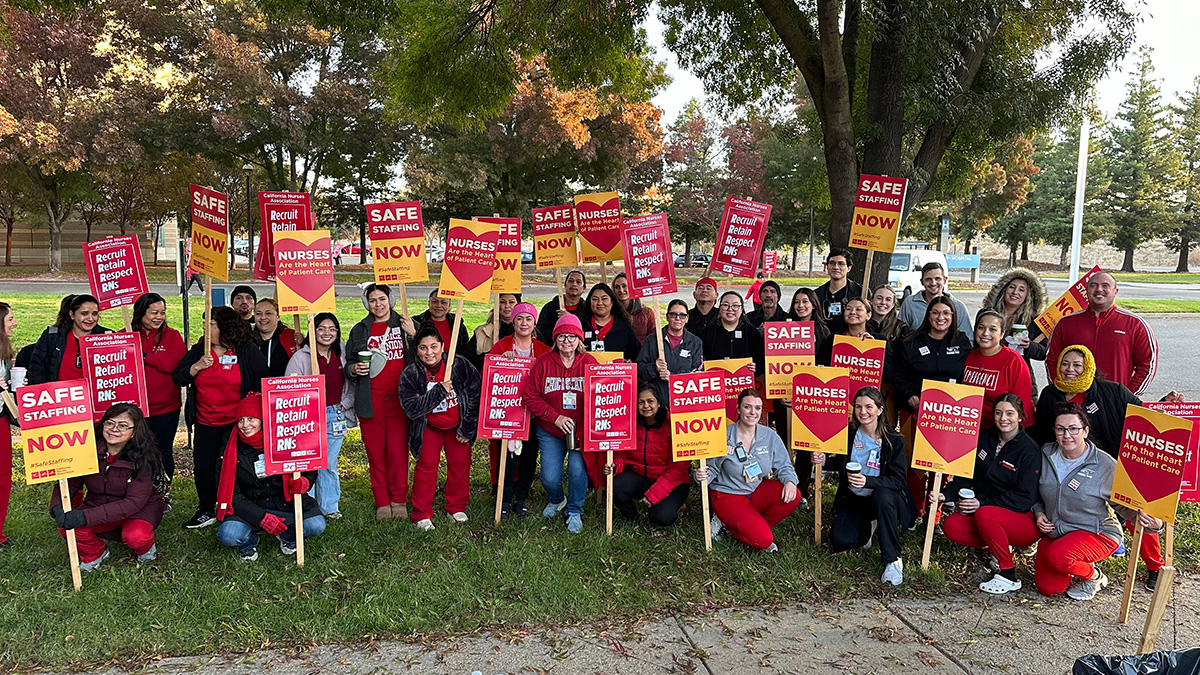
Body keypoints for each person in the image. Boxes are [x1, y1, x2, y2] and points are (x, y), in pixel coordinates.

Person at [1032, 345, 1164, 588]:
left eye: (1077, 365)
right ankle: (1076, 554)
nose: (1070, 370)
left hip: (1113, 461)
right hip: (1069, 458)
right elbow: (1041, 431)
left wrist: (1166, 405)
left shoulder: (1112, 391)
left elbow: (1146, 416)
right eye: (1065, 364)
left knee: (1138, 512)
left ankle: (1154, 565)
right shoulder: (1051, 394)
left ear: (1088, 368)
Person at [173, 306, 268, 529]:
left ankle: (240, 508)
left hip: (237, 424)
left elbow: (262, 381)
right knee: (204, 466)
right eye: (205, 323)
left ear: (224, 325)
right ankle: (206, 508)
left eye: (211, 323)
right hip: (206, 422)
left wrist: (251, 414)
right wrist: (196, 367)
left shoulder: (245, 349)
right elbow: (178, 377)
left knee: (236, 466)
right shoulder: (199, 350)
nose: (206, 327)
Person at [938, 395, 1042, 594]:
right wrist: (945, 495)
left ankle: (1008, 574)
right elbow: (966, 476)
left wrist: (983, 503)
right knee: (951, 526)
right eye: (998, 412)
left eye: (1010, 413)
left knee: (985, 514)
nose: (1003, 418)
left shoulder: (1029, 450)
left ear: (1020, 417)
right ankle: (995, 546)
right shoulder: (984, 438)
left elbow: (1025, 498)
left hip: (1022, 519)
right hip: (986, 515)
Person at [814, 387, 914, 586]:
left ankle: (893, 560)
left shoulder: (894, 440)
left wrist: (868, 481)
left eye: (869, 406)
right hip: (855, 497)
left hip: (884, 498)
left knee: (882, 496)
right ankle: (869, 526)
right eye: (858, 406)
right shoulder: (849, 434)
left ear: (880, 409)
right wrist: (823, 461)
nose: (863, 412)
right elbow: (840, 465)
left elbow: (898, 480)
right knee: (841, 540)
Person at [50, 404, 165, 570]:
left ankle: (146, 549)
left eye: (123, 425)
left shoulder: (144, 458)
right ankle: (95, 553)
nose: (114, 429)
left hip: (140, 508)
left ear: (134, 432)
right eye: (110, 423)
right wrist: (57, 507)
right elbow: (70, 484)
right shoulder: (86, 451)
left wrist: (85, 517)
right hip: (100, 502)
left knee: (136, 536)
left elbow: (133, 503)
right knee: (66, 526)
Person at [215, 394, 325, 561]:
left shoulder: (285, 438)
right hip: (249, 507)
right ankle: (249, 541)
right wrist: (261, 517)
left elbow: (309, 465)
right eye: (241, 420)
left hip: (284, 504)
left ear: (262, 419)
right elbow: (232, 495)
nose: (245, 425)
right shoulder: (230, 449)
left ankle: (287, 537)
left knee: (316, 525)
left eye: (251, 418)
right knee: (229, 534)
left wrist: (306, 481)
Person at [893, 296, 973, 514]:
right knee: (915, 465)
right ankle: (915, 509)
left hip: (949, 415)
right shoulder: (910, 342)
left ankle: (934, 513)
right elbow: (899, 376)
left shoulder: (962, 342)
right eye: (936, 313)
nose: (941, 317)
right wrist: (909, 396)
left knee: (942, 466)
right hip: (916, 411)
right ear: (928, 316)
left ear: (953, 317)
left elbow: (969, 376)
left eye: (946, 313)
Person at [345, 283, 416, 521]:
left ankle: (399, 500)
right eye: (373, 300)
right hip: (370, 399)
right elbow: (348, 364)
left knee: (397, 452)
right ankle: (382, 501)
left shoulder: (405, 325)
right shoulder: (360, 330)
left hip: (399, 399)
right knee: (376, 452)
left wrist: (413, 335)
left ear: (390, 300)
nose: (378, 304)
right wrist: (353, 368)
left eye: (382, 299)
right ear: (367, 303)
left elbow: (425, 356)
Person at [399, 326, 481, 530]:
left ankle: (455, 506)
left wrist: (468, 427)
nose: (429, 353)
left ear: (443, 347)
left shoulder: (459, 364)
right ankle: (422, 513)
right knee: (426, 466)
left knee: (460, 464)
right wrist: (438, 392)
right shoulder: (411, 373)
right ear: (416, 350)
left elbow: (475, 395)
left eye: (434, 346)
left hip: (457, 426)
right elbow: (411, 408)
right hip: (429, 426)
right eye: (423, 348)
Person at [696, 389, 800, 551]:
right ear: (738, 409)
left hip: (756, 489)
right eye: (747, 407)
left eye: (757, 408)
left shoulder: (769, 436)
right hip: (728, 495)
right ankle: (725, 523)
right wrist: (701, 476)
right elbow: (712, 469)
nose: (753, 412)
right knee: (764, 541)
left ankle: (753, 524)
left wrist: (790, 481)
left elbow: (784, 465)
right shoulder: (724, 436)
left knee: (794, 495)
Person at [523, 314, 598, 534]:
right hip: (550, 429)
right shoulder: (543, 362)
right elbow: (530, 396)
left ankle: (574, 510)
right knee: (549, 476)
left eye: (572, 337)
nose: (567, 341)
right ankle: (557, 500)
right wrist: (554, 416)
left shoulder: (589, 363)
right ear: (555, 339)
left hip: (580, 430)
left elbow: (600, 394)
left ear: (579, 340)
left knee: (577, 470)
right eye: (562, 336)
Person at [285, 313, 357, 520]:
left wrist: (344, 406)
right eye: (321, 329)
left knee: (329, 463)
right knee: (307, 462)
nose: (327, 333)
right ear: (313, 331)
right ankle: (307, 505)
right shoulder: (301, 357)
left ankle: (329, 506)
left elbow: (352, 383)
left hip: (335, 413)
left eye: (332, 329)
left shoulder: (341, 353)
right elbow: (290, 389)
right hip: (308, 416)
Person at [1046, 272, 1157, 397]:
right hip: (1074, 402)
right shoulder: (1065, 323)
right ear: (1086, 291)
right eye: (1093, 285)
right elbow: (1052, 360)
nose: (1099, 289)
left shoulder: (1135, 324)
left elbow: (1147, 365)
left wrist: (1127, 396)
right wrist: (1062, 392)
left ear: (1115, 291)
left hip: (1114, 403)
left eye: (1105, 286)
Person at [488, 302, 550, 518]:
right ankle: (503, 499)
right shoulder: (501, 346)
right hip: (507, 414)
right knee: (506, 456)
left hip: (533, 416)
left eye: (529, 319)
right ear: (513, 322)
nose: (524, 323)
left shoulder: (543, 350)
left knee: (529, 456)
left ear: (534, 324)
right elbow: (488, 375)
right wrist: (500, 362)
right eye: (520, 318)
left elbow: (549, 378)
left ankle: (521, 498)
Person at [604, 386, 690, 525]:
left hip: (671, 482)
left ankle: (674, 503)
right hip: (640, 476)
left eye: (650, 401)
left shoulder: (673, 426)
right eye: (641, 402)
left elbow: (677, 470)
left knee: (662, 517)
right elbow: (622, 454)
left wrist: (653, 495)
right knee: (614, 486)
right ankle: (632, 517)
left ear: (659, 403)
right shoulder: (630, 423)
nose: (646, 406)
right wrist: (615, 466)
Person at [132, 292, 186, 490]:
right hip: (134, 409)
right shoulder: (126, 335)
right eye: (153, 312)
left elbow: (175, 365)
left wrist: (145, 356)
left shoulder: (172, 336)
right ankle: (138, 493)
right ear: (140, 313)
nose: (159, 317)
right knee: (135, 452)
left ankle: (163, 493)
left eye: (162, 312)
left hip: (166, 407)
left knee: (163, 451)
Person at [963, 310, 1035, 428]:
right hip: (974, 429)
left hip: (1008, 429)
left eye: (992, 329)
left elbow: (1023, 404)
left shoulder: (1013, 361)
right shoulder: (970, 358)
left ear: (1002, 334)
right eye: (981, 328)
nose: (985, 333)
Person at [981, 268, 1048, 389]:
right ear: (1004, 289)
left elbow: (1044, 352)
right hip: (988, 373)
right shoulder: (986, 314)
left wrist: (1029, 346)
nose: (1015, 292)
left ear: (1028, 295)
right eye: (1012, 287)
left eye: (1022, 290)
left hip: (1017, 376)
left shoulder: (1032, 321)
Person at [28, 294, 113, 385]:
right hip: (59, 396)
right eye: (84, 313)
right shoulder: (53, 336)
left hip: (95, 396)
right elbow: (36, 369)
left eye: (94, 314)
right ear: (72, 314)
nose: (90, 318)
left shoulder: (108, 337)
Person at [636, 299, 704, 406]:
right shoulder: (652, 340)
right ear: (667, 317)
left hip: (684, 402)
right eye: (673, 315)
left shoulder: (695, 342)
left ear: (687, 319)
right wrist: (654, 368)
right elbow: (639, 370)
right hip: (657, 403)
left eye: (682, 315)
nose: (677, 318)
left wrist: (673, 378)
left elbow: (698, 374)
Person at [897, 263, 973, 344]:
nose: (933, 283)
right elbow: (900, 333)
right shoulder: (910, 303)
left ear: (945, 280)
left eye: (937, 279)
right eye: (928, 279)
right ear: (922, 282)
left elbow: (969, 340)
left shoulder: (958, 306)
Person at [700, 291, 765, 373]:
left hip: (745, 383)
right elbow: (700, 361)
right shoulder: (708, 332)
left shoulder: (751, 332)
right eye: (725, 305)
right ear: (720, 309)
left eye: (735, 306)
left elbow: (762, 360)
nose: (730, 309)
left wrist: (756, 367)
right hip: (716, 383)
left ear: (741, 309)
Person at [579, 282, 639, 361]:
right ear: (589, 302)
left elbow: (634, 354)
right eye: (594, 299)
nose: (599, 303)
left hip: (616, 372)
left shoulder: (624, 326)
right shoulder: (581, 325)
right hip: (586, 372)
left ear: (612, 302)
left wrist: (629, 363)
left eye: (604, 299)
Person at [467, 292, 519, 369]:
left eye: (511, 302)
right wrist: (492, 356)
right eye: (502, 302)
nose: (507, 306)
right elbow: (469, 362)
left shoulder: (530, 334)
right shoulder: (481, 332)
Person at [536, 270, 587, 344]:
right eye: (571, 281)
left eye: (578, 282)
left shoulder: (587, 310)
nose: (574, 284)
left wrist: (570, 319)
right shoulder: (550, 308)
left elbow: (588, 334)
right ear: (565, 285)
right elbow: (540, 332)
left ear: (584, 288)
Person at [252, 298, 299, 378]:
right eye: (258, 314)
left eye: (268, 313)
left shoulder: (291, 336)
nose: (263, 317)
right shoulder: (247, 339)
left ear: (278, 317)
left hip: (284, 388)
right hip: (255, 389)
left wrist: (303, 342)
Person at [415, 289, 470, 357]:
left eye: (443, 302)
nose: (439, 305)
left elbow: (465, 350)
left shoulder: (458, 325)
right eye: (435, 302)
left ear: (449, 306)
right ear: (429, 303)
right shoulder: (417, 322)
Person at [812, 248, 862, 321]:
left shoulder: (860, 292)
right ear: (827, 267)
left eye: (841, 264)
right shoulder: (817, 294)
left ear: (849, 268)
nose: (836, 267)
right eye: (832, 263)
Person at [0, 302, 13, 547]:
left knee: (3, 478)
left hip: (1, 421)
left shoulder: (4, 353)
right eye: (10, 318)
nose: (15, 322)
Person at [612, 273, 658, 344]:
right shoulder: (611, 312)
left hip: (641, 353)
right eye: (617, 287)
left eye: (624, 286)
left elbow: (653, 339)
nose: (621, 290)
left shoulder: (647, 313)